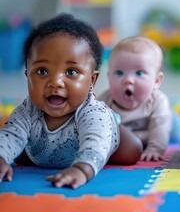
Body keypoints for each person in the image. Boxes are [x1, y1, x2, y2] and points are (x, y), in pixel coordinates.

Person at [0, 13, 142, 189]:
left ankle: (121, 129)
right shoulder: (27, 111)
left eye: (71, 72)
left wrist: (82, 169)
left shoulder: (93, 113)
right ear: (27, 75)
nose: (55, 82)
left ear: (92, 81)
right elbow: (10, 135)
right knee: (16, 146)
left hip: (99, 134)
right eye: (42, 71)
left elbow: (96, 142)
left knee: (131, 151)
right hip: (42, 149)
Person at [98, 36, 172, 162]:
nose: (128, 80)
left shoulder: (157, 101)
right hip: (129, 140)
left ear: (156, 81)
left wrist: (154, 149)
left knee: (176, 129)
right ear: (109, 76)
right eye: (119, 73)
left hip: (154, 130)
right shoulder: (105, 101)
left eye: (139, 73)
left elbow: (160, 130)